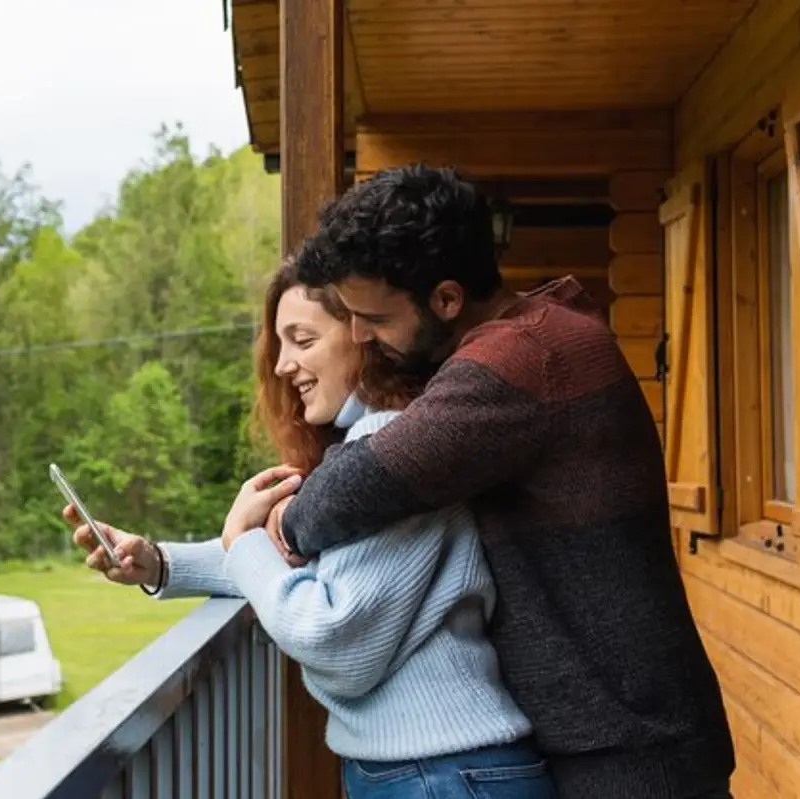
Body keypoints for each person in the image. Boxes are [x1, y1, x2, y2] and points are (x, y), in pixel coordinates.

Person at [264, 164, 735, 799]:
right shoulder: (541, 340)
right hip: (632, 732)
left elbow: (351, 489)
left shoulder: (513, 366)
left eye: (372, 317)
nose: (359, 335)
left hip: (628, 750)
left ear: (447, 299)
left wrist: (282, 520)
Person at [66, 258, 557, 799]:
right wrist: (159, 563)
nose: (281, 366)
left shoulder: (392, 442)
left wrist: (245, 541)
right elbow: (300, 563)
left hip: (442, 775)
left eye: (301, 340)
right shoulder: (376, 445)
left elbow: (333, 640)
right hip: (432, 770)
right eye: (279, 345)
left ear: (363, 336)